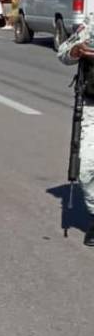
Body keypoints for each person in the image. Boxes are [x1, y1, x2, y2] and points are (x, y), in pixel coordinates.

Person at [57, 25, 94, 246]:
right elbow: (63, 52)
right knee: (86, 168)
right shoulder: (91, 26)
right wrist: (76, 51)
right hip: (91, 108)